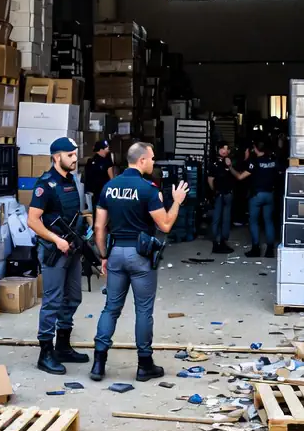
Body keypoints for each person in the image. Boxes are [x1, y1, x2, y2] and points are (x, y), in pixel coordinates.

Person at [90, 142, 188, 383]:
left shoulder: (109, 187)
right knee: (143, 310)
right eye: (152, 158)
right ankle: (144, 364)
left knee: (110, 308)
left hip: (115, 253)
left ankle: (98, 364)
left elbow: (99, 226)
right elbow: (164, 225)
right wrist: (176, 201)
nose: (154, 162)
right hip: (140, 255)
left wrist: (103, 255)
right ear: (142, 160)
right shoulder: (148, 189)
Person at [26, 137, 88, 375]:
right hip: (54, 251)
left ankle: (63, 345)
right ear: (56, 157)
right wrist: (56, 239)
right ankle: (45, 352)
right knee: (52, 300)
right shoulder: (46, 184)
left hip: (72, 248)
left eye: (75, 154)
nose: (74, 158)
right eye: (70, 155)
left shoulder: (70, 180)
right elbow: (32, 220)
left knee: (73, 297)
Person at [231, 140, 278, 258]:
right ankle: (270, 250)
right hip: (270, 194)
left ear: (255, 148)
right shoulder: (272, 160)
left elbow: (240, 177)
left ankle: (256, 249)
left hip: (256, 195)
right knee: (269, 222)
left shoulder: (254, 161)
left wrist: (230, 167)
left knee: (254, 222)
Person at [207, 141, 235, 254]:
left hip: (228, 193)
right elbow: (210, 179)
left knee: (226, 219)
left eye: (227, 149)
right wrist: (214, 192)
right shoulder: (214, 163)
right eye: (223, 148)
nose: (225, 151)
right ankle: (216, 242)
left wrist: (230, 165)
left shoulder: (229, 162)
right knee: (217, 218)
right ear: (218, 149)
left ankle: (223, 241)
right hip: (219, 194)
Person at [83, 139, 115, 209]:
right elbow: (111, 178)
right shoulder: (94, 161)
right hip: (99, 193)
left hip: (99, 192)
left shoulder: (93, 160)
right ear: (101, 149)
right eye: (106, 147)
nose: (108, 149)